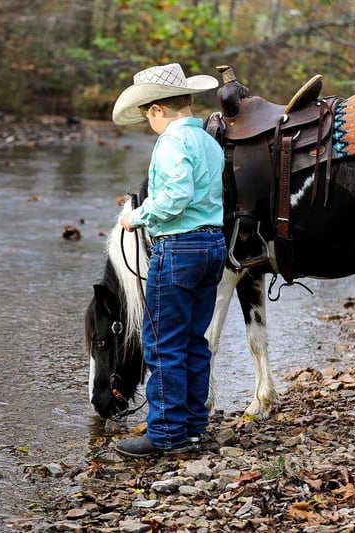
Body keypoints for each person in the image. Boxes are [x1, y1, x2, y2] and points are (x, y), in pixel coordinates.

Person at [111, 63, 227, 458]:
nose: (150, 124)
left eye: (148, 116)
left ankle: (166, 434)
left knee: (163, 344)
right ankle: (192, 428)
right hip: (212, 245)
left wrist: (136, 217)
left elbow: (176, 197)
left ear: (158, 109)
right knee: (194, 341)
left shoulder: (172, 142)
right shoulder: (208, 141)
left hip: (179, 248)